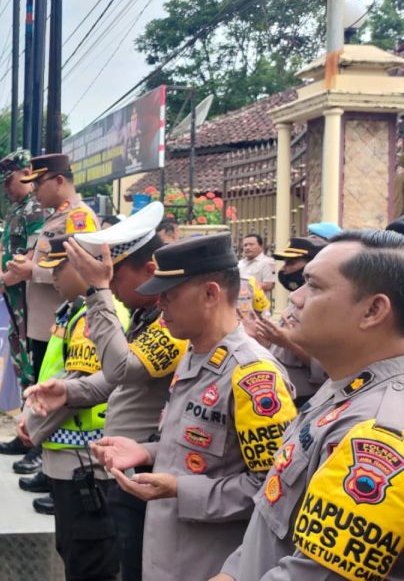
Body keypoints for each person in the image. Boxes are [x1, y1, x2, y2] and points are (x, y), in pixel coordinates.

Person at [92, 233, 298, 581]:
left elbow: (274, 491)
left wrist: (179, 489)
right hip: (167, 552)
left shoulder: (253, 375)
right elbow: (197, 447)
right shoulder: (194, 354)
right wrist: (144, 451)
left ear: (210, 294)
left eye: (170, 295)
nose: (160, 305)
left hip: (211, 565)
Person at [212, 230, 404, 581]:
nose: (296, 298)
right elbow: (271, 522)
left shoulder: (380, 431)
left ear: (373, 310)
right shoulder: (342, 386)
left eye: (313, 286)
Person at [23, 202, 189, 581]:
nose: (112, 287)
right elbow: (118, 380)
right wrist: (68, 391)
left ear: (150, 270)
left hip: (146, 467)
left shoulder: (171, 324)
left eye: (116, 278)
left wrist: (97, 292)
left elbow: (121, 369)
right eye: (107, 280)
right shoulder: (150, 316)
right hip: (123, 467)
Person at [20, 233, 120, 580]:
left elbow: (78, 386)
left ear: (80, 268)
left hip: (85, 463)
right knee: (74, 553)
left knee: (88, 563)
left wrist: (31, 427)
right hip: (68, 457)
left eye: (57, 270)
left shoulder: (92, 319)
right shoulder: (75, 312)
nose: (52, 278)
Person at [6, 153, 100, 475]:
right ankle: (38, 448)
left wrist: (33, 271)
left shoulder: (79, 219)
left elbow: (81, 269)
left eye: (39, 184)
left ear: (59, 180)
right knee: (40, 386)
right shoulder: (53, 218)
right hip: (43, 319)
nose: (34, 191)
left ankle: (47, 459)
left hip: (59, 321)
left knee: (56, 391)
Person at [0, 149, 49, 459]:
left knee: (37, 372)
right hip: (15, 304)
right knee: (23, 370)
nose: (5, 188)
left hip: (32, 302)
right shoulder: (16, 210)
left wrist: (1, 281)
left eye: (8, 181)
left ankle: (36, 443)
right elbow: (4, 251)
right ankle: (24, 431)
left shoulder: (37, 210)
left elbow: (33, 259)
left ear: (25, 174)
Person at [255, 236, 328, 407]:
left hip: (307, 400)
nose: (285, 270)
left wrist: (290, 344)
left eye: (291, 263)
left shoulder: (325, 307)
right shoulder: (293, 301)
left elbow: (329, 368)